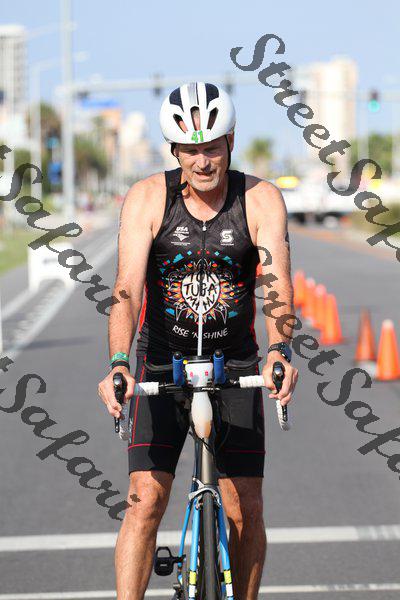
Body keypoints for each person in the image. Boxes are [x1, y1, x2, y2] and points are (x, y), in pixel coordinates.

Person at [98, 81, 299, 600]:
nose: (203, 161)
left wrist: (279, 352)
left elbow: (276, 286)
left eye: (212, 147)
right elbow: (126, 289)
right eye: (190, 150)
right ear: (174, 150)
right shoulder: (148, 197)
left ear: (231, 141)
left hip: (235, 365)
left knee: (245, 508)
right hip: (161, 364)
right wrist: (119, 362)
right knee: (144, 501)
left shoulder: (259, 199)